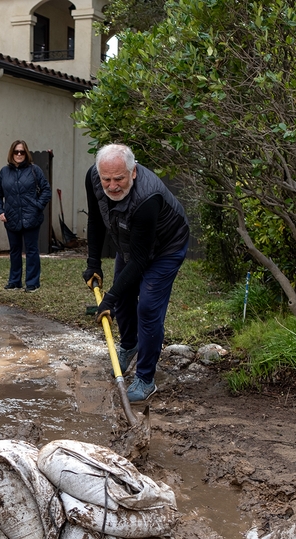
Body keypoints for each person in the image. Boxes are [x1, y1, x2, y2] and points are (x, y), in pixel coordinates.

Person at [82, 143, 190, 402]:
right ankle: (129, 345)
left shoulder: (147, 198)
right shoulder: (94, 177)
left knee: (149, 307)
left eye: (119, 178)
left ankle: (145, 378)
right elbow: (96, 219)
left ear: (133, 172)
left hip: (166, 247)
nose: (112, 185)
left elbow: (141, 260)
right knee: (125, 298)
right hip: (130, 240)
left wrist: (109, 299)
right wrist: (93, 262)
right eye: (106, 179)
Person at [0, 140, 52, 292]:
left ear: (26, 153)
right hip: (11, 217)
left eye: (22, 152)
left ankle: (32, 283)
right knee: (14, 250)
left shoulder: (35, 170)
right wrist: (0, 211)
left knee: (32, 250)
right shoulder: (4, 172)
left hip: (31, 217)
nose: (19, 154)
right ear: (11, 153)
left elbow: (46, 190)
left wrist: (37, 207)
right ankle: (14, 281)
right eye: (16, 152)